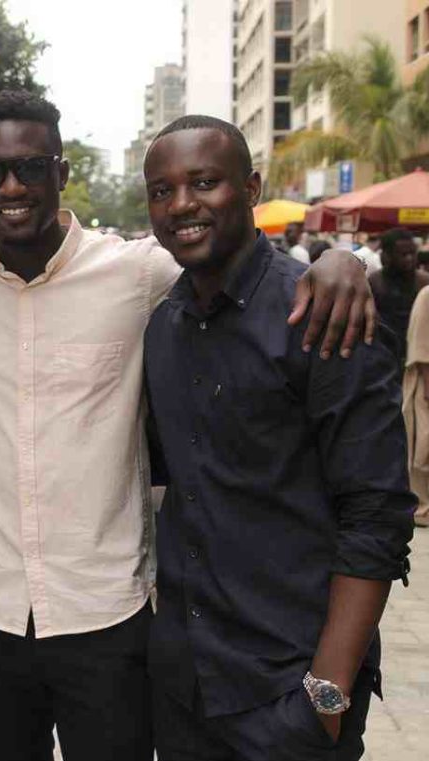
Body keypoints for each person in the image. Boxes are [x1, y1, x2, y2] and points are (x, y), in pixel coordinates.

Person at [0, 90, 374, 761]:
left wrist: (341, 262)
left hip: (108, 619)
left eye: (31, 167)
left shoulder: (136, 271)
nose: (11, 188)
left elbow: (238, 259)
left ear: (63, 170)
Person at [143, 115, 413, 761]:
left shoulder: (322, 314)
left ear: (250, 187)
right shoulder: (163, 327)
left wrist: (326, 696)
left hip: (288, 693)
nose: (182, 204)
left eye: (204, 182)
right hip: (185, 688)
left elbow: (377, 517)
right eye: (161, 190)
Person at [369, 227, 429, 370]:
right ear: (388, 255)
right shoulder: (374, 282)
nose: (409, 258)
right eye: (403, 254)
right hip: (384, 356)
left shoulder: (424, 283)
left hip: (418, 355)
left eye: (412, 253)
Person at [404, 285, 429, 527]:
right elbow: (421, 343)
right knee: (423, 447)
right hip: (425, 384)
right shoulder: (426, 295)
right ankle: (423, 507)